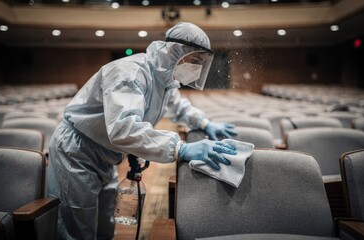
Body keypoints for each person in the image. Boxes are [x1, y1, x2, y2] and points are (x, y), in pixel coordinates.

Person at [47, 22, 237, 240]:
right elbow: (123, 129)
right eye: (195, 60)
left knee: (104, 227)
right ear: (175, 51)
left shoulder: (165, 79)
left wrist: (204, 124)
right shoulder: (130, 73)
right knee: (78, 229)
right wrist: (180, 148)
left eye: (201, 64)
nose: (196, 68)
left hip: (106, 154)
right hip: (77, 149)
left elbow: (179, 106)